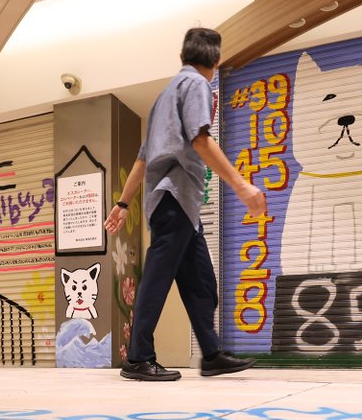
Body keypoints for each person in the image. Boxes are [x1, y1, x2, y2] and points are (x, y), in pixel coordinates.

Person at [104, 27, 266, 381]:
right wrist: (241, 186)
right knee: (158, 279)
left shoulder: (163, 97)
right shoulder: (195, 85)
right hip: (174, 200)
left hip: (180, 207)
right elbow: (200, 140)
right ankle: (138, 357)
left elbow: (142, 160)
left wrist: (123, 203)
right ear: (216, 59)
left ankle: (211, 354)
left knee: (201, 282)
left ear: (183, 55)